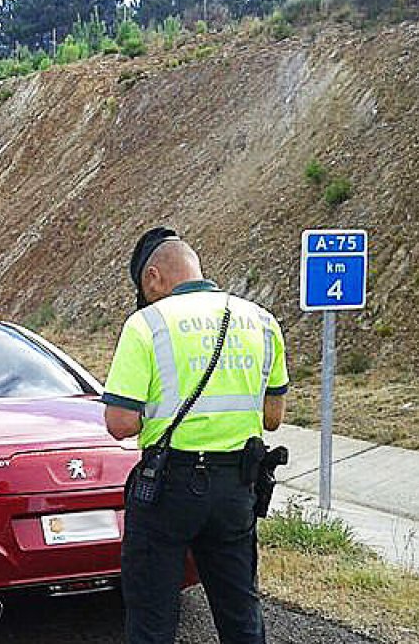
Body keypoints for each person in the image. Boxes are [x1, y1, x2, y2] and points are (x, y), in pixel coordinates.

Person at [102, 227, 288, 644]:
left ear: (153, 277)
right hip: (237, 489)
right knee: (241, 614)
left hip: (169, 488)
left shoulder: (146, 325)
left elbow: (120, 424)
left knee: (152, 619)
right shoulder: (261, 321)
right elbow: (272, 417)